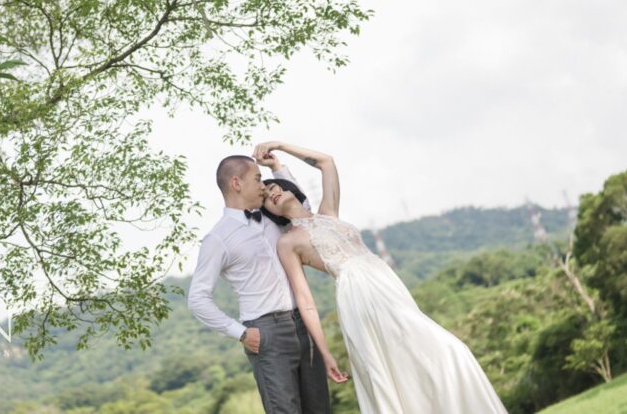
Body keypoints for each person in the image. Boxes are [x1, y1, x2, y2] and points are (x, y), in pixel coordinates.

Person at [253, 141, 509, 414]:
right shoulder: (288, 243)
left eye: (274, 187)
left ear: (289, 188)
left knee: (426, 357)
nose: (272, 193)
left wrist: (280, 148)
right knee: (435, 355)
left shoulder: (329, 213)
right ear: (271, 213)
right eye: (266, 198)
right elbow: (306, 302)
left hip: (385, 281)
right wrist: (325, 353)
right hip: (358, 294)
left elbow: (326, 162)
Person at [188, 155, 346, 414]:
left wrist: (277, 167)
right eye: (258, 178)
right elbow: (197, 299)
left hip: (304, 324)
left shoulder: (274, 216)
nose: (263, 186)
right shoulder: (217, 239)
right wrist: (240, 333)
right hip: (266, 333)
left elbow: (301, 206)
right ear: (237, 183)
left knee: (320, 409)